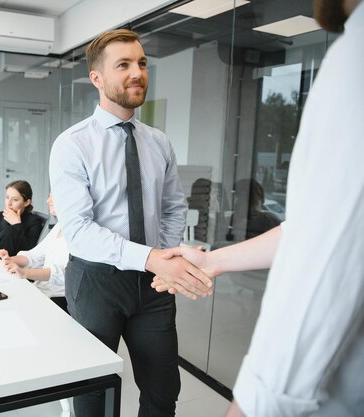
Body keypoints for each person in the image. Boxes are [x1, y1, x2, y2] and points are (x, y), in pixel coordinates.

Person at [154, 1, 364, 415]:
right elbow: (310, 227)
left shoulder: (355, 60)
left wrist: (256, 404)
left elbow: (327, 255)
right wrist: (213, 260)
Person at [49, 29, 212, 417]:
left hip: (153, 286)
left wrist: (166, 256)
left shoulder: (159, 142)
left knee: (162, 390)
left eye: (141, 63)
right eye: (123, 65)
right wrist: (154, 257)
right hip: (97, 282)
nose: (137, 72)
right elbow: (80, 231)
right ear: (97, 79)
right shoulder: (72, 144)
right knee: (93, 394)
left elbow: (174, 207)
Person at [0, 193, 68, 312]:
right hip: (40, 289)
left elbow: (63, 274)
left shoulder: (78, 235)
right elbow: (34, 255)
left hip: (57, 300)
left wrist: (24, 273)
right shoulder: (59, 227)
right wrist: (10, 259)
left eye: (53, 196)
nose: (47, 200)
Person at [0, 180, 45, 256]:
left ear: (26, 203)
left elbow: (29, 250)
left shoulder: (34, 221)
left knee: (10, 230)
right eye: (7, 197)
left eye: (15, 200)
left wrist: (17, 225)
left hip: (14, 263)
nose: (8, 203)